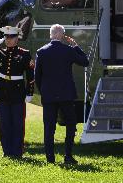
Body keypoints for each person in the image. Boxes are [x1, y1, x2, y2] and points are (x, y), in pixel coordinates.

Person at [35, 24, 89, 164]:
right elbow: (85, 62)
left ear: (51, 35)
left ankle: (50, 158)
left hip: (48, 95)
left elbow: (37, 76)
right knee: (71, 124)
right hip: (66, 94)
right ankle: (68, 156)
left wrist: (44, 91)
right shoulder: (68, 50)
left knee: (49, 127)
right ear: (62, 35)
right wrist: (76, 46)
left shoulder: (41, 52)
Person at [0, 26, 35, 159]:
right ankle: (7, 151)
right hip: (2, 91)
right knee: (4, 123)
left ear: (17, 38)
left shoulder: (24, 54)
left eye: (11, 37)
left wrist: (29, 93)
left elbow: (30, 75)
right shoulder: (0, 52)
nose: (9, 40)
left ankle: (17, 152)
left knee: (18, 123)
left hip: (17, 91)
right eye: (6, 37)